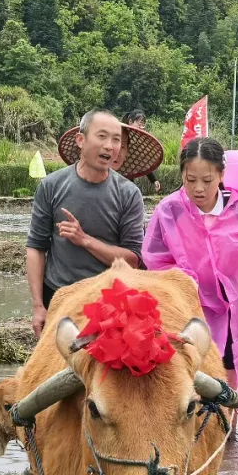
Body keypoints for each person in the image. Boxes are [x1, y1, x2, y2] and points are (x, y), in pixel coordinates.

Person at [143, 137, 238, 444]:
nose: (198, 188)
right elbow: (155, 258)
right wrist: (182, 278)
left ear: (222, 175)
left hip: (231, 308)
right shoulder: (170, 210)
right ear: (182, 175)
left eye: (207, 180)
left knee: (230, 366)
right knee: (189, 368)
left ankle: (225, 434)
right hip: (189, 309)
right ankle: (194, 435)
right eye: (190, 180)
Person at [27, 110, 146, 336]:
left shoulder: (129, 194)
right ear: (80, 140)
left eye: (116, 140)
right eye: (102, 136)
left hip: (109, 304)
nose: (110, 146)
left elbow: (132, 260)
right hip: (59, 298)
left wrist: (85, 240)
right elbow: (36, 247)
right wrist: (38, 305)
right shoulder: (51, 186)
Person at [123, 110, 161, 192]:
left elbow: (141, 162)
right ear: (130, 121)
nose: (141, 126)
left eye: (143, 124)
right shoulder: (122, 135)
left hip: (128, 177)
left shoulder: (138, 142)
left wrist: (153, 180)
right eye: (139, 123)